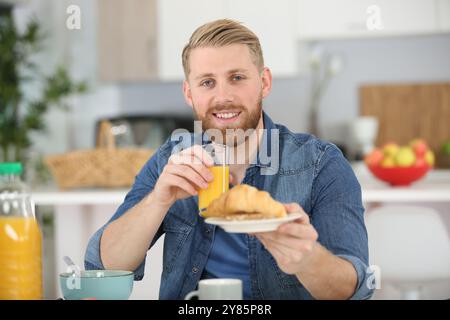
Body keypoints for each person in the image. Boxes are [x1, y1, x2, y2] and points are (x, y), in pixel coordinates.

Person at [85, 19, 374, 300]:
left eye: (237, 78)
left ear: (264, 82)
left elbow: (354, 288)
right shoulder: (170, 161)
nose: (223, 96)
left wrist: (306, 259)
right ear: (189, 93)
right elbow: (105, 267)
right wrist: (158, 201)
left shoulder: (321, 164)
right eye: (207, 82)